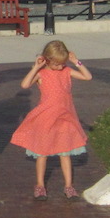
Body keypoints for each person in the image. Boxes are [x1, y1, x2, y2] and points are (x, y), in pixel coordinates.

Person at [10, 40, 92, 199]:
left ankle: (68, 186)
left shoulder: (67, 71)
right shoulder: (42, 74)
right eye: (56, 64)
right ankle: (40, 185)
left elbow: (87, 77)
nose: (60, 67)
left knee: (65, 152)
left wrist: (77, 62)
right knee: (42, 153)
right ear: (47, 59)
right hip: (46, 118)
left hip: (64, 118)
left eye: (62, 63)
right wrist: (36, 67)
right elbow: (25, 84)